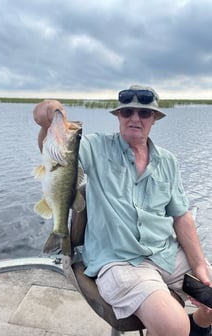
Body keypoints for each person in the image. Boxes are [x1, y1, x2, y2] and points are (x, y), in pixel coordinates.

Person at [33, 84, 212, 336]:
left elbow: (181, 217)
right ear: (119, 116)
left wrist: (200, 268)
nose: (135, 118)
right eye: (127, 112)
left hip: (165, 253)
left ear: (154, 119)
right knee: (173, 326)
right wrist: (51, 113)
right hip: (119, 261)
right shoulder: (94, 147)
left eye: (144, 113)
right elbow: (52, 148)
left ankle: (200, 326)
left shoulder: (168, 161)